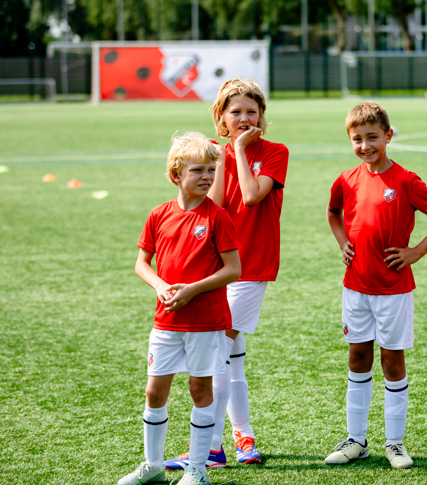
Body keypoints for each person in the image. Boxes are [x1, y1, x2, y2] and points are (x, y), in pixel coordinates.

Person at [325, 101, 427, 469]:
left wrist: (416, 251)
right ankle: (356, 440)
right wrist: (342, 241)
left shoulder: (406, 180)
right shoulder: (346, 179)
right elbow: (333, 212)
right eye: (357, 139)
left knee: (392, 361)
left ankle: (395, 443)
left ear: (388, 136)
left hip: (394, 290)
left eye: (372, 137)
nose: (365, 145)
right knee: (357, 357)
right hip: (355, 287)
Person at [164, 78, 288, 470]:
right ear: (221, 116)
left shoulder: (275, 152)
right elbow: (212, 204)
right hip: (216, 270)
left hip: (250, 269)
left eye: (252, 111)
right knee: (231, 359)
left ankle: (211, 448)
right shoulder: (214, 156)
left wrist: (239, 150)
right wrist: (221, 157)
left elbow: (251, 197)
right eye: (235, 112)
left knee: (217, 355)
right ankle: (242, 437)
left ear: (262, 115)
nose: (244, 118)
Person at [120, 132, 241, 485]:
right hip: (167, 321)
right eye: (197, 170)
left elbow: (233, 269)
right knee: (154, 391)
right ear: (176, 175)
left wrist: (192, 290)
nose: (207, 177)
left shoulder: (218, 217)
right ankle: (154, 466)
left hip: (206, 322)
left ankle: (197, 469)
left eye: (211, 170)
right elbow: (142, 263)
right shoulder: (159, 215)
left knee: (200, 390)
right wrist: (160, 286)